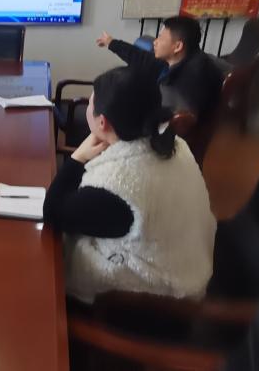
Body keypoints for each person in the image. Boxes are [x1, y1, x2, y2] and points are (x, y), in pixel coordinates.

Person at [43, 67, 216, 304]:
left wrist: (78, 158)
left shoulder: (118, 186)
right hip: (186, 264)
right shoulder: (174, 144)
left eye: (92, 104)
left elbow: (53, 211)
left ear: (102, 122)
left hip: (148, 301)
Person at [96, 16, 224, 123]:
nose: (155, 42)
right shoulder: (183, 59)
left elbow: (171, 122)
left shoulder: (185, 83)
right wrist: (111, 43)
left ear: (178, 46)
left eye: (160, 37)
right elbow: (142, 59)